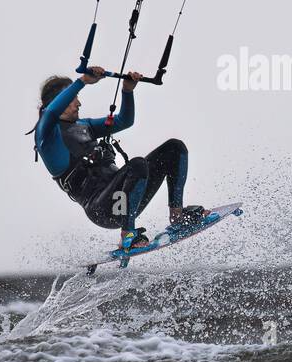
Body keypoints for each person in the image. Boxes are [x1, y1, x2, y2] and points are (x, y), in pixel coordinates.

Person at [31, 65, 208, 252]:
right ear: (56, 102)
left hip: (127, 197)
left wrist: (127, 90)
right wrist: (82, 81)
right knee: (137, 164)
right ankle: (128, 235)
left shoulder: (84, 126)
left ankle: (178, 217)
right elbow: (50, 114)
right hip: (104, 210)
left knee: (174, 147)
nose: (79, 103)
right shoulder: (46, 138)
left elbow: (125, 120)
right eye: (72, 98)